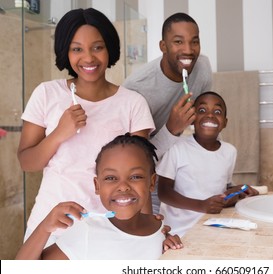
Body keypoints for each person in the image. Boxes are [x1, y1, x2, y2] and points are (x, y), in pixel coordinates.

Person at [17, 8, 155, 247]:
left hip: (110, 228)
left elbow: (140, 178)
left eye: (98, 47)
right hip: (52, 225)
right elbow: (27, 162)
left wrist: (149, 232)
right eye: (77, 48)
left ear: (109, 48)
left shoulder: (133, 103)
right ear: (65, 52)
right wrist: (60, 133)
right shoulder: (46, 93)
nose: (89, 58)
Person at [16, 134, 183, 260]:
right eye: (111, 178)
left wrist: (172, 256)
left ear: (152, 182)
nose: (123, 186)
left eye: (135, 177)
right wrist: (44, 228)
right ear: (97, 186)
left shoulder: (160, 229)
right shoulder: (87, 231)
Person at [122, 12, 213, 213]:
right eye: (178, 42)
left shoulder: (203, 67)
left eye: (194, 42)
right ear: (163, 46)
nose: (188, 50)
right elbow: (132, 159)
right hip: (148, 179)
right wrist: (172, 128)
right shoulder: (137, 88)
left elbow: (207, 124)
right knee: (154, 237)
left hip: (184, 171)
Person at [156, 91, 259, 237]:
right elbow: (164, 193)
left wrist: (239, 191)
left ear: (225, 122)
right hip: (178, 232)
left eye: (217, 111)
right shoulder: (177, 148)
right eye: (202, 110)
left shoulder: (229, 151)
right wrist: (201, 205)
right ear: (192, 119)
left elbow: (223, 187)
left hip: (213, 226)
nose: (210, 115)